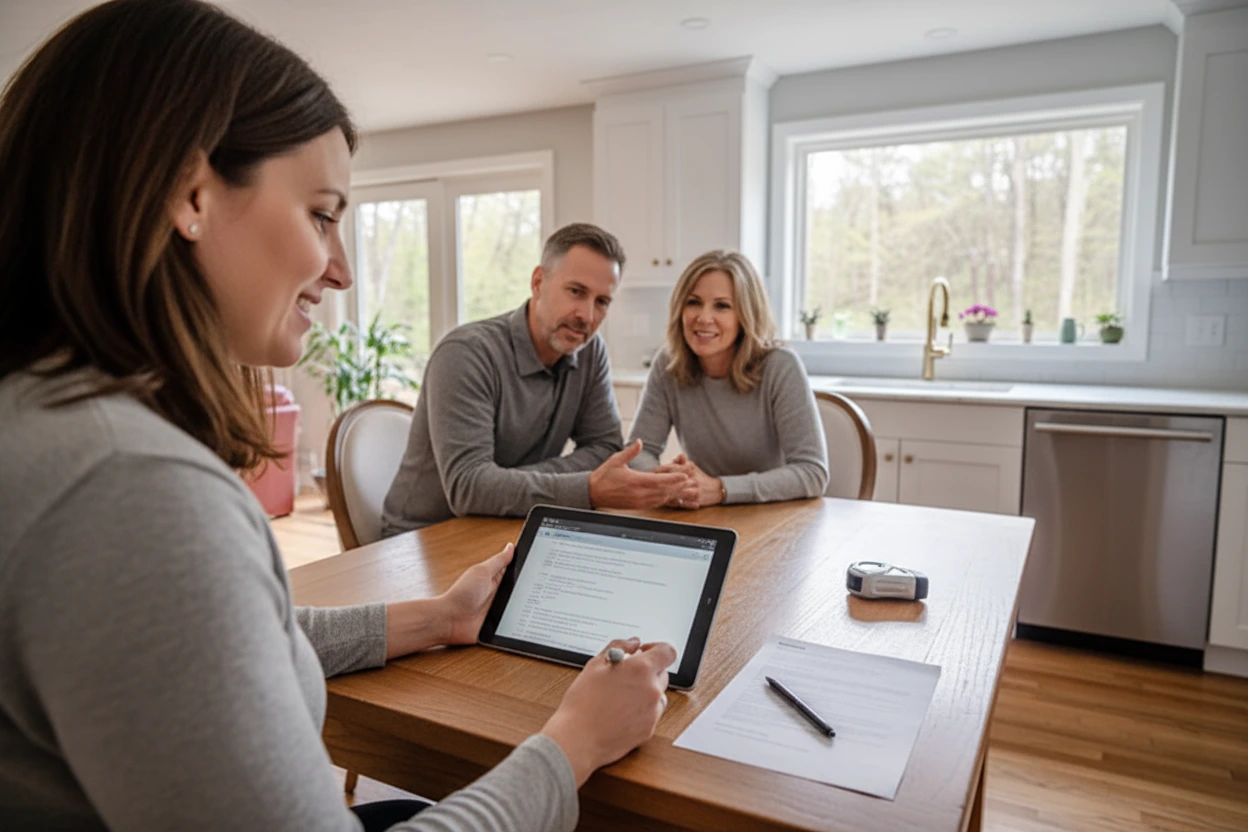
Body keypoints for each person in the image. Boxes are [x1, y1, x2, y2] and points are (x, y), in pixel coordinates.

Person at [0, 2, 675, 831]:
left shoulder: (44, 421)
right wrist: (571, 743)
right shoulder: (135, 489)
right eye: (322, 213)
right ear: (191, 194)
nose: (343, 270)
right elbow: (491, 483)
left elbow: (223, 644)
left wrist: (435, 618)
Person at [380, 223, 697, 536]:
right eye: (576, 291)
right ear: (538, 282)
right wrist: (586, 487)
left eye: (602, 302)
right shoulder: (465, 354)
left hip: (512, 523)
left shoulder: (589, 351)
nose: (586, 315)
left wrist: (505, 482)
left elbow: (604, 447)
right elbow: (469, 488)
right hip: (424, 537)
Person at [627, 250, 829, 506]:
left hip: (773, 517)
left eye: (722, 306)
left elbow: (812, 473)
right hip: (707, 515)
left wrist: (721, 489)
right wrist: (667, 481)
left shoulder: (780, 366)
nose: (703, 318)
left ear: (745, 315)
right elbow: (638, 451)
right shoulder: (669, 363)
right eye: (693, 302)